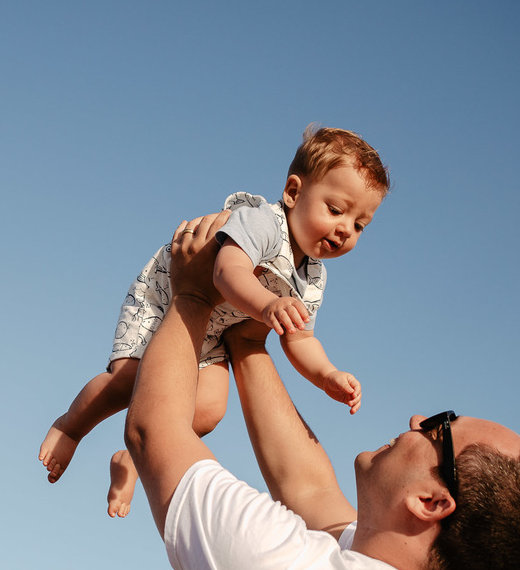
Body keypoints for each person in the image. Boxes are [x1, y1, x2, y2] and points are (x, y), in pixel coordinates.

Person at [123, 212, 520, 570]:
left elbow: (153, 433)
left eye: (439, 428)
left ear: (430, 501)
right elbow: (309, 490)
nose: (417, 419)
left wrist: (193, 295)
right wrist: (247, 341)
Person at [39, 126, 390, 517]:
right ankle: (71, 426)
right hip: (168, 298)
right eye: (337, 210)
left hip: (213, 328)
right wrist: (268, 305)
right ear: (293, 192)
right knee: (127, 380)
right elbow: (228, 272)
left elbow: (301, 337)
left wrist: (326, 374)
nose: (345, 229)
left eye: (360, 225)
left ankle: (134, 460)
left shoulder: (313, 277)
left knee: (209, 410)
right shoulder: (262, 223)